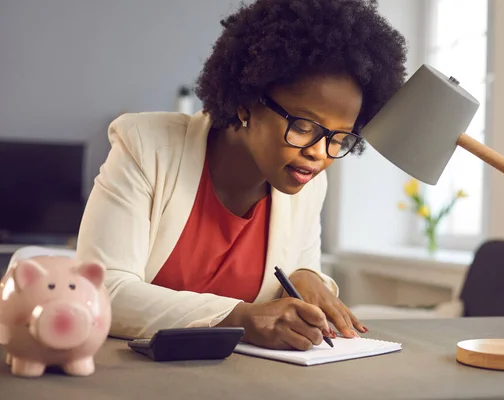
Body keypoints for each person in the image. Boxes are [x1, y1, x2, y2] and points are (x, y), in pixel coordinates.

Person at [75, 0, 408, 351]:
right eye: (305, 125)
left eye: (338, 137)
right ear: (246, 101)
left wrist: (307, 277)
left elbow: (298, 269)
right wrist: (239, 318)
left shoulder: (308, 182)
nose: (319, 153)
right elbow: (102, 289)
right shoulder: (147, 146)